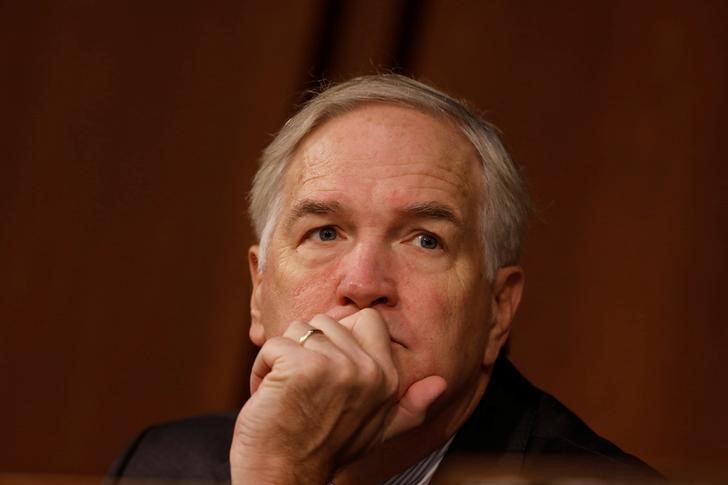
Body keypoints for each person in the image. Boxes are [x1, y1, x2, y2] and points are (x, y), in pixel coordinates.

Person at [110, 74, 659, 483]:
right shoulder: (161, 466)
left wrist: (283, 474)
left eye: (425, 239)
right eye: (325, 233)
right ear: (258, 291)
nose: (364, 281)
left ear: (498, 308)